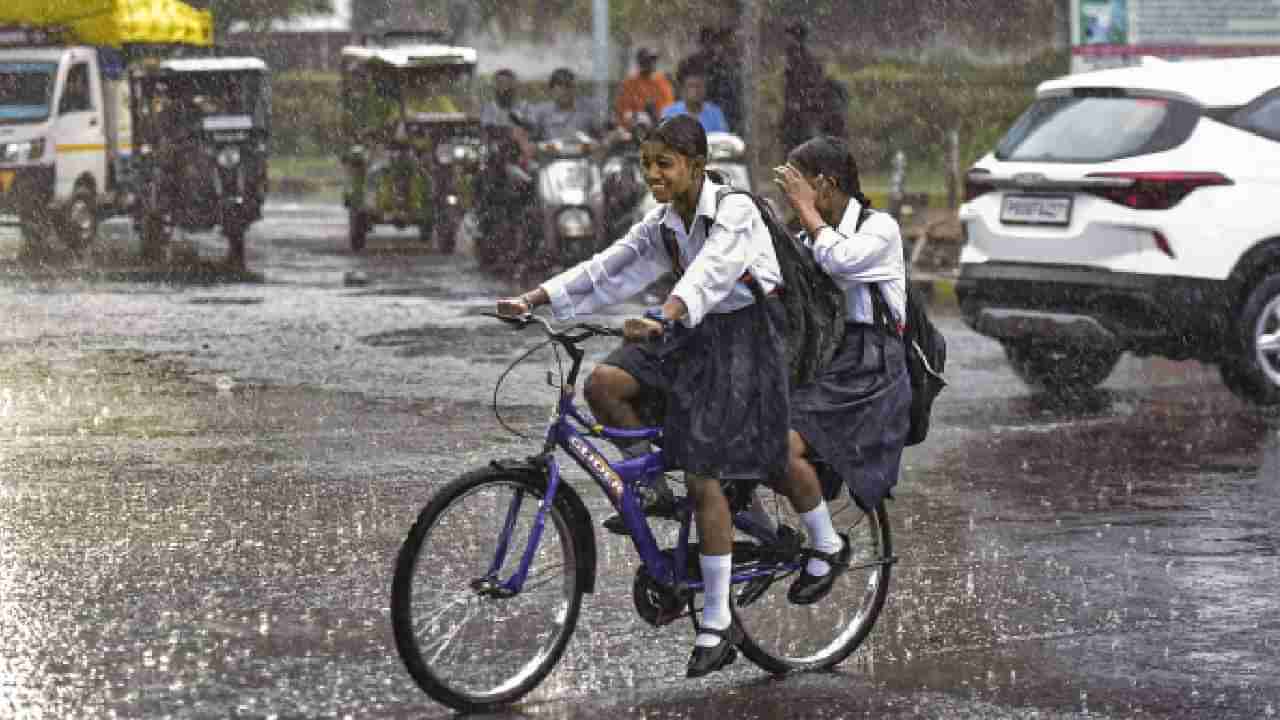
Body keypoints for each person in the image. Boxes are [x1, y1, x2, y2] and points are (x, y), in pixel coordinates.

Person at [497, 115, 841, 678]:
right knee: (605, 386)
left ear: (697, 167)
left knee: (705, 473)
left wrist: (667, 313)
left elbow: (713, 271)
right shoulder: (665, 223)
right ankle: (659, 489)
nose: (652, 175)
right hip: (692, 332)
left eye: (665, 164)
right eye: (646, 164)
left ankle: (717, 620)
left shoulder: (736, 212)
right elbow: (611, 265)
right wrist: (534, 299)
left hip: (750, 339)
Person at [771, 135, 912, 603]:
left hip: (869, 367)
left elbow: (842, 262)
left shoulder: (880, 229)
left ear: (825, 187)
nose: (791, 199)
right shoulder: (807, 235)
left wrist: (807, 215)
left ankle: (827, 545)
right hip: (825, 359)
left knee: (779, 444)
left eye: (798, 187)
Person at [780, 22, 826, 154]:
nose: (787, 41)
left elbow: (813, 89)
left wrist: (800, 104)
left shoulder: (803, 61)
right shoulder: (794, 60)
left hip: (802, 118)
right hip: (796, 118)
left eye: (790, 37)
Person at [528, 67, 603, 141]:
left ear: (574, 88)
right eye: (560, 85)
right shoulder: (541, 112)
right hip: (550, 152)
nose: (565, 90)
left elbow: (600, 136)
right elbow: (531, 136)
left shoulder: (587, 109)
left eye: (568, 85)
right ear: (551, 90)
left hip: (582, 152)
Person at [614, 47, 675, 130]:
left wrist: (655, 116)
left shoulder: (663, 82)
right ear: (640, 62)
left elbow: (668, 111)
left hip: (659, 128)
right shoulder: (629, 83)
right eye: (646, 60)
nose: (650, 63)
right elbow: (622, 112)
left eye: (653, 60)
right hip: (634, 128)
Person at [661, 64, 729, 134]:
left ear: (705, 89)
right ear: (683, 89)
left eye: (699, 86)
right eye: (691, 86)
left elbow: (723, 139)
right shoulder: (670, 113)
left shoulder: (715, 113)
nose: (696, 91)